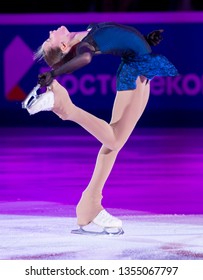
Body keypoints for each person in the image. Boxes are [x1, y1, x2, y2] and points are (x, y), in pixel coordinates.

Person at [23, 22, 178, 235]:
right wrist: (55, 73)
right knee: (114, 140)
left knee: (113, 142)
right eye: (50, 39)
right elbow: (85, 58)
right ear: (65, 46)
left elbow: (118, 39)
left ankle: (89, 206)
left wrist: (144, 40)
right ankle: (66, 108)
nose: (50, 32)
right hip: (133, 73)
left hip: (138, 68)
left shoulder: (87, 32)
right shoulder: (87, 45)